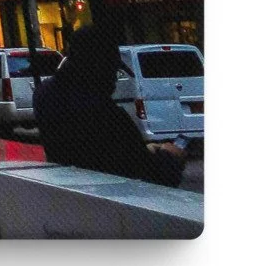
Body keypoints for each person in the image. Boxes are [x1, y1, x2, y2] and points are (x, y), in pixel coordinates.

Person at [32, 25, 186, 187]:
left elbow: (106, 151)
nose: (115, 78)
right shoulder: (105, 115)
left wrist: (147, 149)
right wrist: (170, 157)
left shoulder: (45, 95)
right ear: (98, 65)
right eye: (112, 68)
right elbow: (148, 174)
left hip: (69, 194)